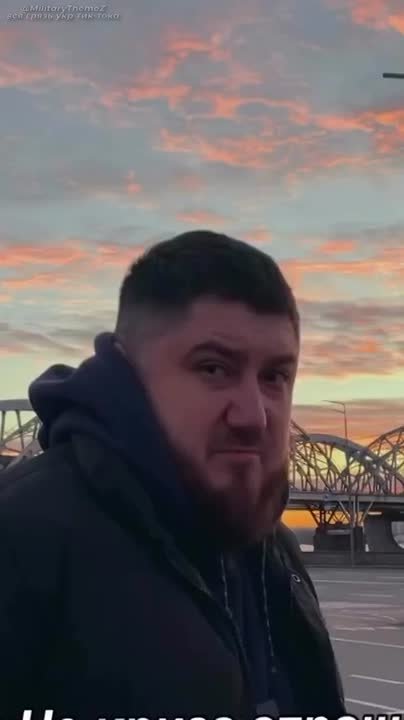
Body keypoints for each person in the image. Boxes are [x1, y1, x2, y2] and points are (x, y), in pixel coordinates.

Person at [0, 230, 346, 720]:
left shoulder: (275, 551)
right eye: (214, 369)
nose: (254, 416)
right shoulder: (21, 537)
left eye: (275, 376)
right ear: (128, 373)